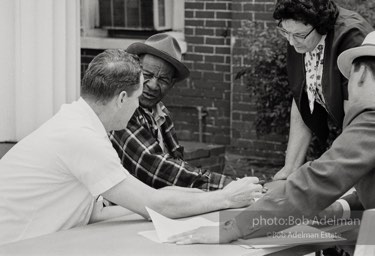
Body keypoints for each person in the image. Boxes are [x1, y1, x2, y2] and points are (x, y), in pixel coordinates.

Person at [0, 49, 263, 245]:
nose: (140, 106)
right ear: (122, 98)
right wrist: (226, 197)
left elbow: (98, 212)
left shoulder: (80, 123)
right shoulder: (81, 136)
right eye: (138, 97)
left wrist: (190, 198)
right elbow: (154, 204)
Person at [168, 30, 375, 245]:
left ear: (359, 76)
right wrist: (341, 207)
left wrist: (234, 227)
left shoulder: (370, 121)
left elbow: (319, 180)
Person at [110, 33, 233, 191]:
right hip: (122, 209)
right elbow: (158, 169)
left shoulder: (161, 113)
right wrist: (226, 185)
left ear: (172, 83)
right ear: (135, 71)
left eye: (163, 80)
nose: (154, 85)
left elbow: (177, 164)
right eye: (147, 75)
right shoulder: (124, 110)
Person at [273, 0, 372, 180]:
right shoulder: (297, 34)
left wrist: (336, 177)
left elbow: (357, 118)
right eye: (285, 32)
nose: (291, 42)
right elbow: (302, 95)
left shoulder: (352, 36)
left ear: (321, 25)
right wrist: (290, 169)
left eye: (299, 35)